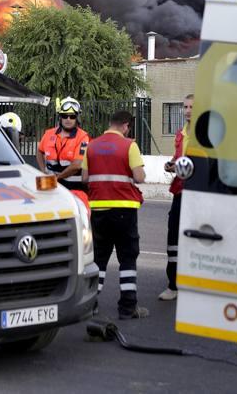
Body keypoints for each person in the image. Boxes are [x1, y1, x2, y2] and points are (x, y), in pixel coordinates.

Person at [82, 109, 148, 320]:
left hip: (99, 211)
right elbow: (139, 177)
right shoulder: (130, 145)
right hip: (124, 210)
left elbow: (85, 178)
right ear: (126, 126)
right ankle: (128, 307)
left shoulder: (91, 146)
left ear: (111, 123)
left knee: (99, 258)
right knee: (127, 258)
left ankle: (91, 304)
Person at [159, 93, 193, 301]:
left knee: (195, 238)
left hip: (198, 193)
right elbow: (178, 159)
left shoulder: (205, 134)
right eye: (185, 107)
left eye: (192, 107)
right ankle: (173, 285)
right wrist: (170, 165)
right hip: (180, 190)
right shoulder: (180, 134)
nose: (188, 110)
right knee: (173, 236)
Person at [36, 98, 90, 191]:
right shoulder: (49, 133)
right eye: (65, 116)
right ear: (60, 117)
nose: (68, 119)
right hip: (50, 183)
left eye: (72, 116)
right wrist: (43, 171)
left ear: (77, 118)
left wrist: (57, 178)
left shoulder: (83, 137)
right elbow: (39, 151)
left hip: (73, 188)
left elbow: (77, 165)